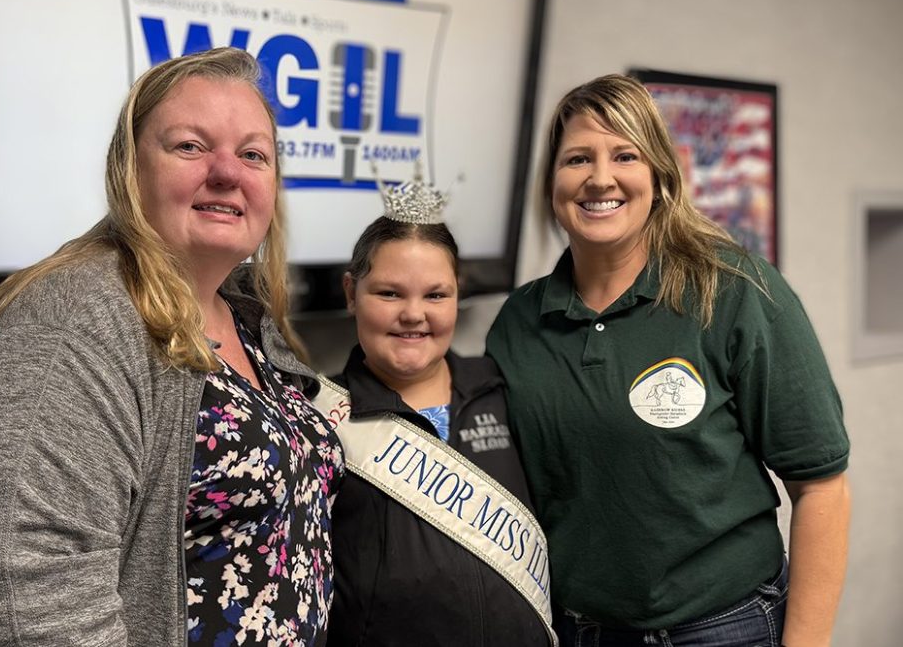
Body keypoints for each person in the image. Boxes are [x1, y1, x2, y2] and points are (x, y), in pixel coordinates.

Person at [0, 47, 344, 646]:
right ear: (129, 170)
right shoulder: (68, 319)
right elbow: (17, 598)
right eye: (191, 146)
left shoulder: (245, 314)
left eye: (253, 155)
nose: (228, 172)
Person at [486, 74, 850, 647]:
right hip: (582, 630)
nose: (599, 177)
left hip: (726, 627)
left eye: (624, 155)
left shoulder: (735, 292)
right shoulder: (518, 323)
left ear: (658, 175)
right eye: (577, 158)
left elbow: (822, 486)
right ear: (552, 182)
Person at [321, 177, 555, 647]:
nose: (413, 314)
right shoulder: (320, 418)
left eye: (435, 295)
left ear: (457, 294)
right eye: (389, 294)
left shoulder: (503, 389)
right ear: (351, 293)